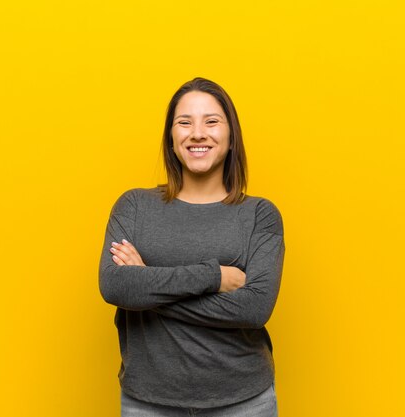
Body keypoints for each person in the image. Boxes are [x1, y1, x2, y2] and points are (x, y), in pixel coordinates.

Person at [98, 77, 285, 416]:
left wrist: (147, 286)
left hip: (244, 403)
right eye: (185, 122)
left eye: (211, 121)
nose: (197, 133)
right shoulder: (134, 206)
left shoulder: (259, 215)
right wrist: (213, 277)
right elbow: (114, 285)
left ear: (231, 138)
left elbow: (254, 310)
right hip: (147, 403)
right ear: (171, 138)